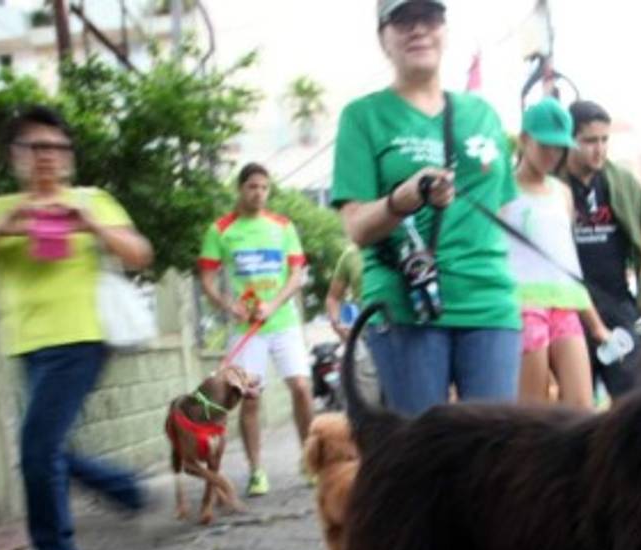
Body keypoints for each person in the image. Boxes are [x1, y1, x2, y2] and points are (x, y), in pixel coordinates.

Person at [0, 105, 154, 550]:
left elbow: (139, 253)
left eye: (55, 147)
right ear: (15, 156)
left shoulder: (92, 199)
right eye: (34, 147)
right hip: (25, 344)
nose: (46, 157)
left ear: (69, 157)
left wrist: (90, 223)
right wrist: (8, 220)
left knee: (37, 445)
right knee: (47, 447)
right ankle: (128, 490)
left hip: (81, 339)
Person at [331, 0, 521, 416]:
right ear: (383, 37)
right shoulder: (362, 116)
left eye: (429, 17)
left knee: (496, 458)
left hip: (489, 301)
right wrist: (404, 198)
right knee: (422, 460)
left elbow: (505, 210)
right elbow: (357, 227)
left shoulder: (482, 113)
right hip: (405, 306)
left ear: (445, 29)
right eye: (402, 20)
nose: (418, 29)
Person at [198, 163, 313, 496]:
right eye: (252, 187)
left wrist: (273, 304)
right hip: (246, 329)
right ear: (240, 189)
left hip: (283, 322)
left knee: (303, 388)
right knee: (249, 398)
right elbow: (206, 279)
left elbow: (296, 275)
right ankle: (256, 471)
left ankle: (309, 461)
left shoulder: (283, 226)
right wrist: (227, 305)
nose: (258, 193)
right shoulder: (220, 230)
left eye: (264, 187)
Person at [504, 98, 611, 408]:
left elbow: (567, 263)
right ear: (525, 140)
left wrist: (596, 324)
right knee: (532, 414)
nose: (553, 154)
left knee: (581, 408)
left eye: (559, 147)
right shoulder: (502, 189)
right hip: (522, 305)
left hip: (566, 305)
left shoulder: (562, 193)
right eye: (545, 145)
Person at [562, 100, 641, 400]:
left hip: (618, 304)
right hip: (569, 308)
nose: (599, 149)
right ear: (569, 140)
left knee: (636, 400)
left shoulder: (621, 182)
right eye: (589, 141)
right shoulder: (552, 184)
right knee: (575, 410)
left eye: (604, 140)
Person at [324, 243, 381, 405]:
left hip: (406, 335)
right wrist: (338, 324)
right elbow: (333, 298)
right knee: (369, 403)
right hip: (365, 337)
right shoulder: (351, 253)